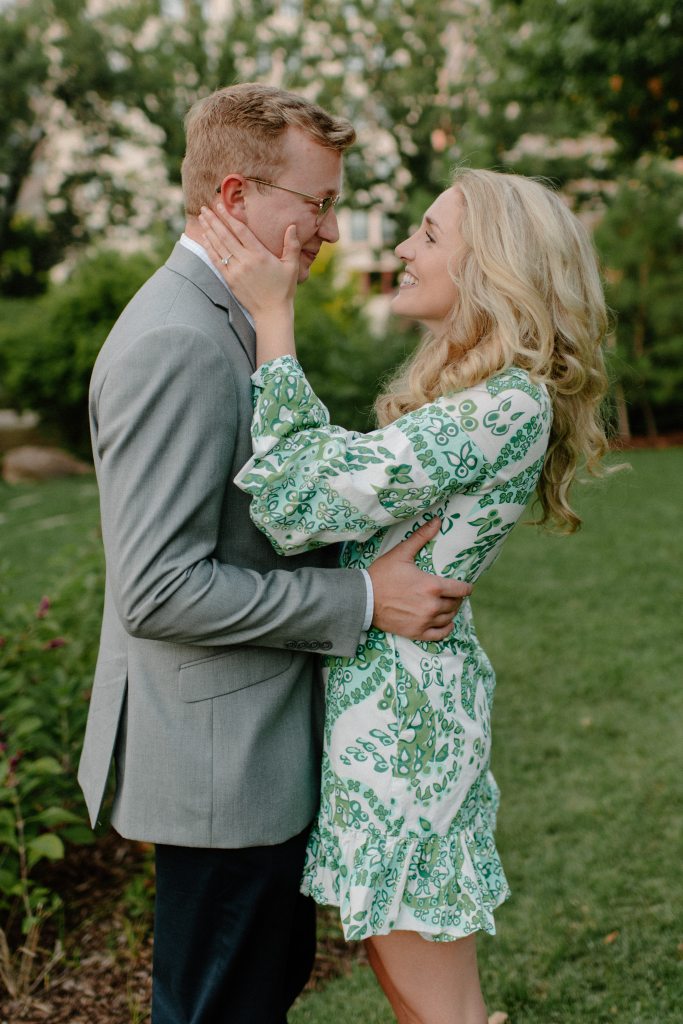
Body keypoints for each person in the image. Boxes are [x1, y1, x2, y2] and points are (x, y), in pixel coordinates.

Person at [77, 83, 473, 1024]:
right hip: (219, 767)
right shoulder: (178, 341)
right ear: (234, 196)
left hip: (248, 755)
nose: (330, 230)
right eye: (318, 203)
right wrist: (361, 599)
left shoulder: (233, 316)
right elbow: (158, 589)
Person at [198, 166, 610, 1024]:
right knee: (421, 1001)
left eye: (427, 234)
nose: (401, 248)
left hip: (406, 728)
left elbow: (296, 498)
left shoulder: (502, 406)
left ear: (491, 265)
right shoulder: (482, 396)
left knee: (438, 1009)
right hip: (393, 708)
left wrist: (274, 317)